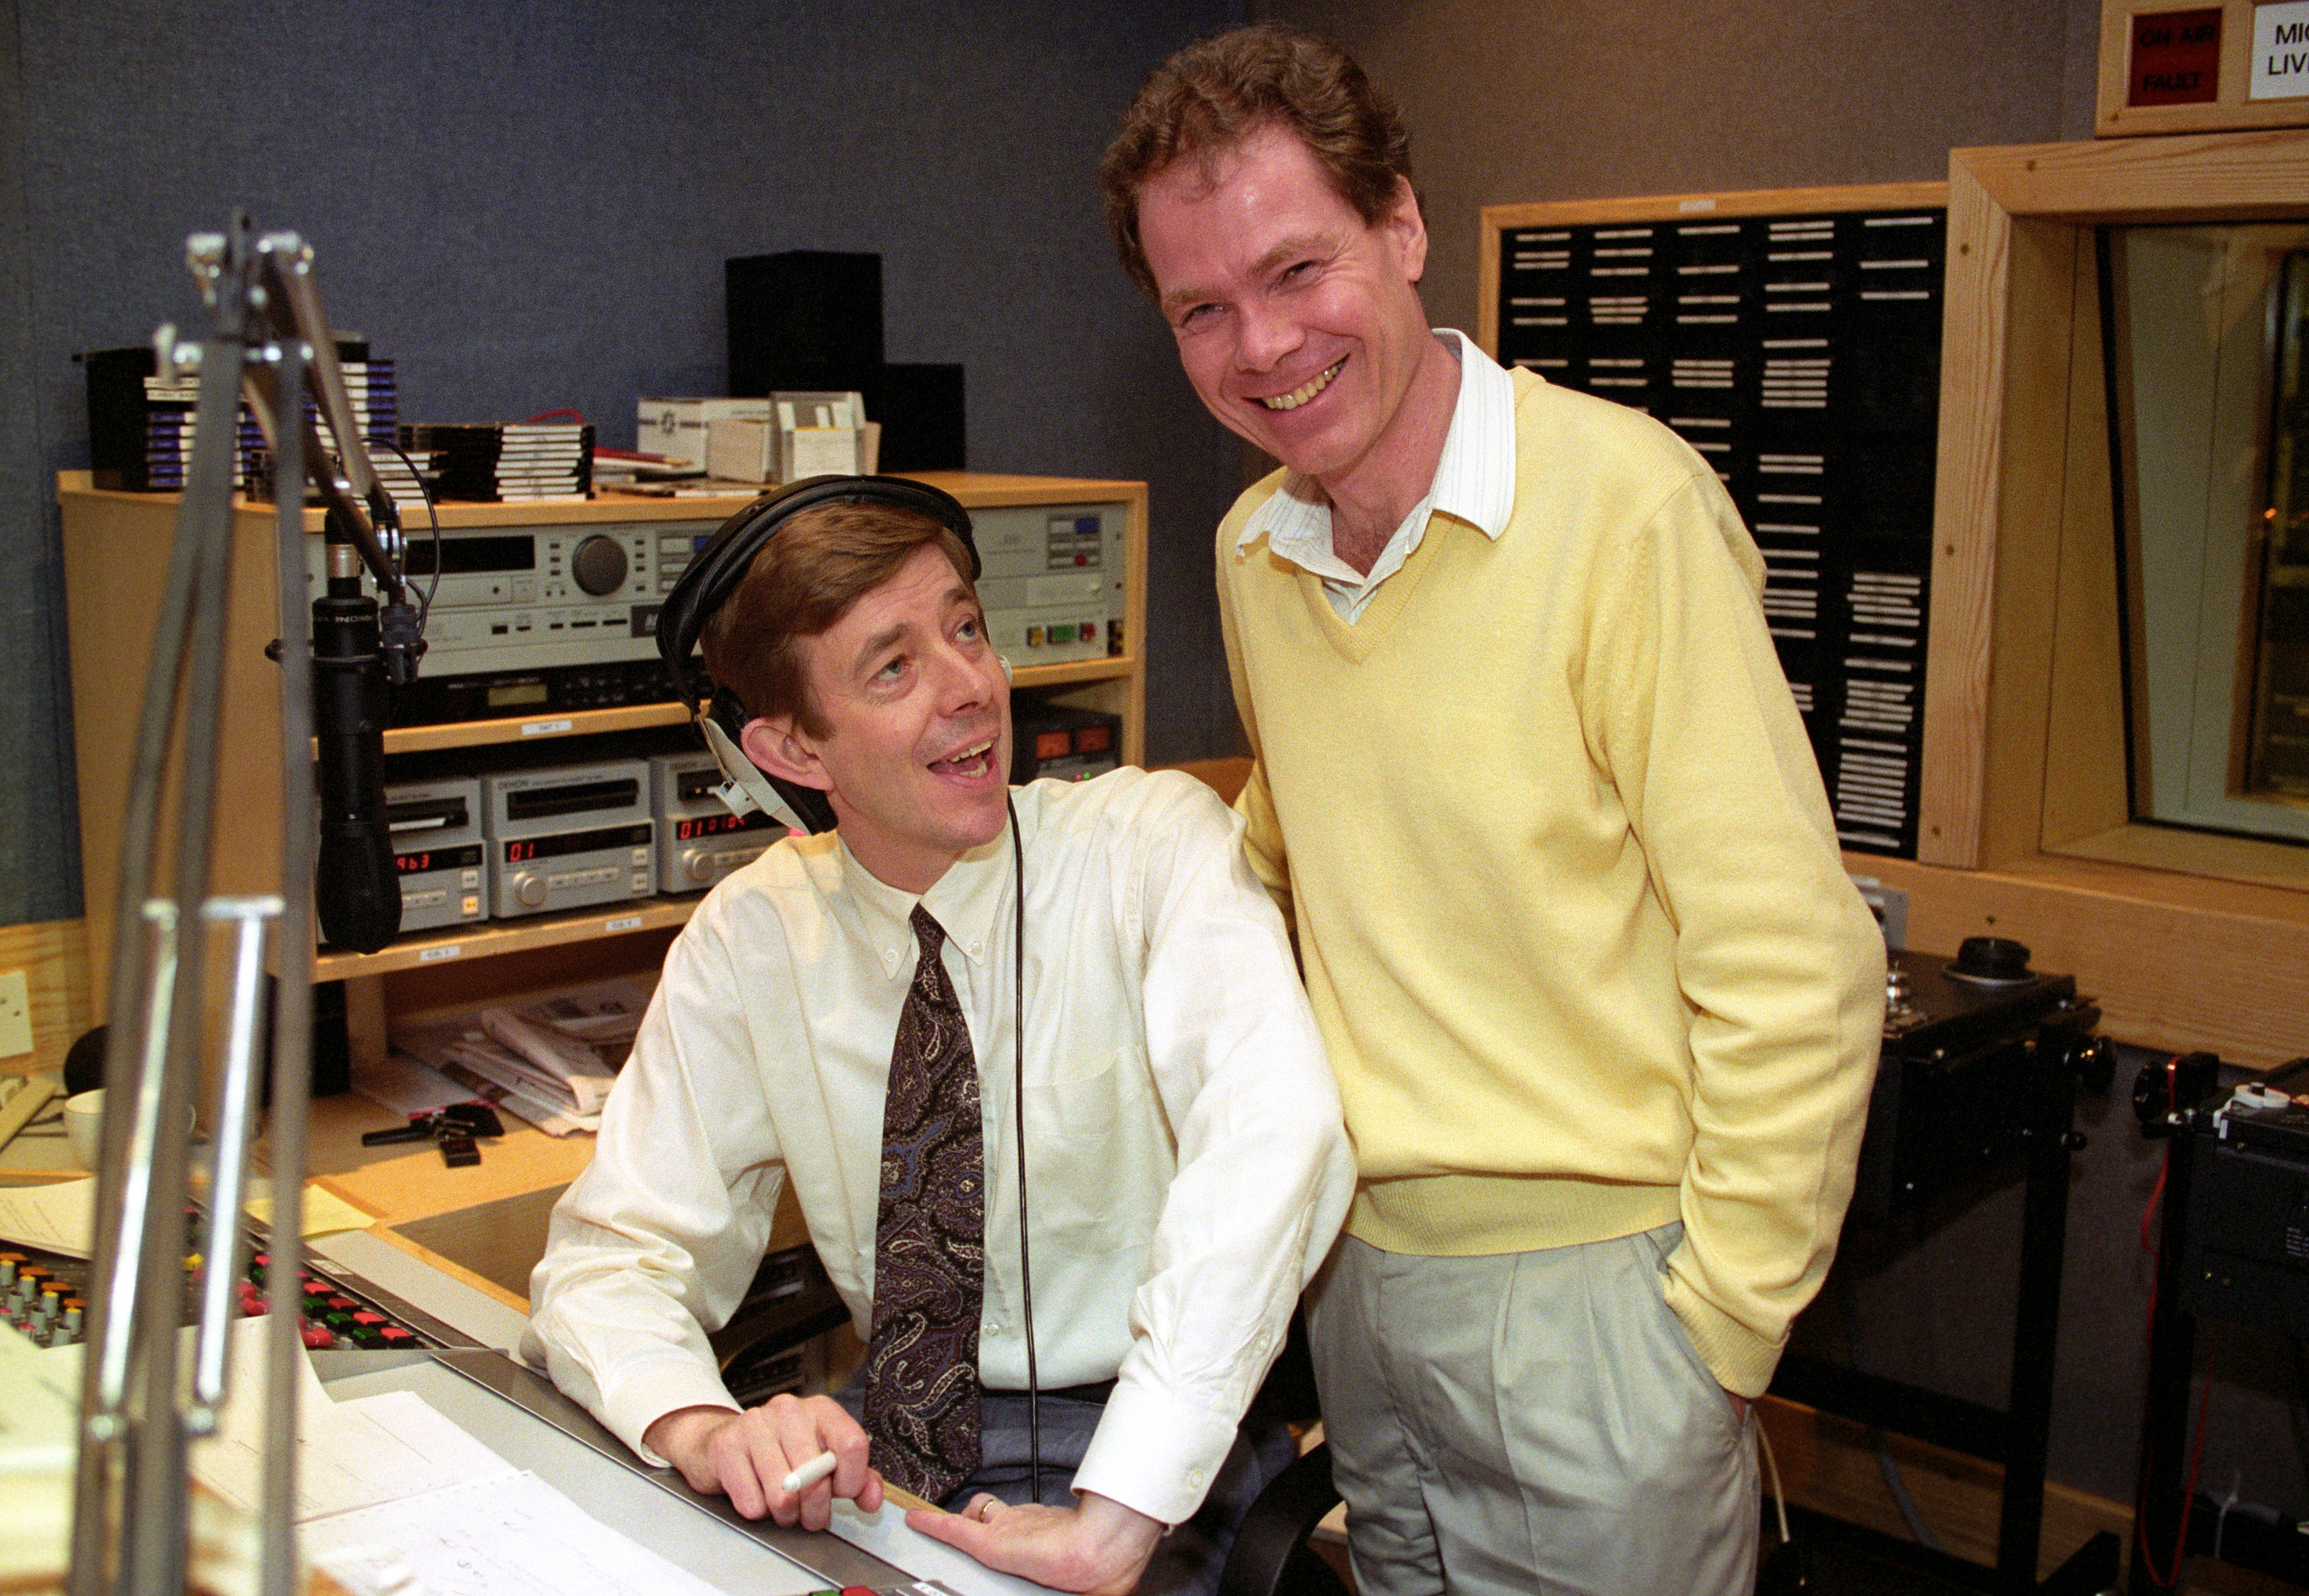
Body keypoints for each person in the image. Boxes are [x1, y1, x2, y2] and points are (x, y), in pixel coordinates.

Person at [1100, 26, 1885, 1595]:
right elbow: (1304, 856)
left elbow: (1795, 959)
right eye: (1203, 308)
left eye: (1296, 268)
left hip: (1602, 1306)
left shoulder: (1625, 508)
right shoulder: (1257, 550)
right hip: (1364, 1287)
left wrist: (1719, 1335)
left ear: (1402, 227)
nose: (1260, 346)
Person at [522, 483, 1355, 1596]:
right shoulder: (751, 936)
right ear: (790, 751)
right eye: (894, 668)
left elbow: (1277, 1129)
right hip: (889, 1449)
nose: (971, 688)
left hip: (1149, 1443)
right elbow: (613, 1255)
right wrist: (704, 1427)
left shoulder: (1148, 849)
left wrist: (1121, 1509)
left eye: (966, 629)